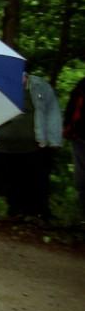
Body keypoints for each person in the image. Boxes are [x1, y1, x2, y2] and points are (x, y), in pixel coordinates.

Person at [0, 74, 62, 222]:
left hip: (32, 145)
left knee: (34, 180)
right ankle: (14, 211)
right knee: (7, 180)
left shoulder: (39, 86)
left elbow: (52, 112)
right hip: (3, 146)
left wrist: (54, 139)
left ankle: (36, 213)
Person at [64, 76, 85, 218]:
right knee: (81, 177)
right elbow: (72, 109)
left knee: (81, 176)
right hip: (79, 137)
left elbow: (72, 109)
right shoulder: (82, 86)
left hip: (79, 135)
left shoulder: (82, 85)